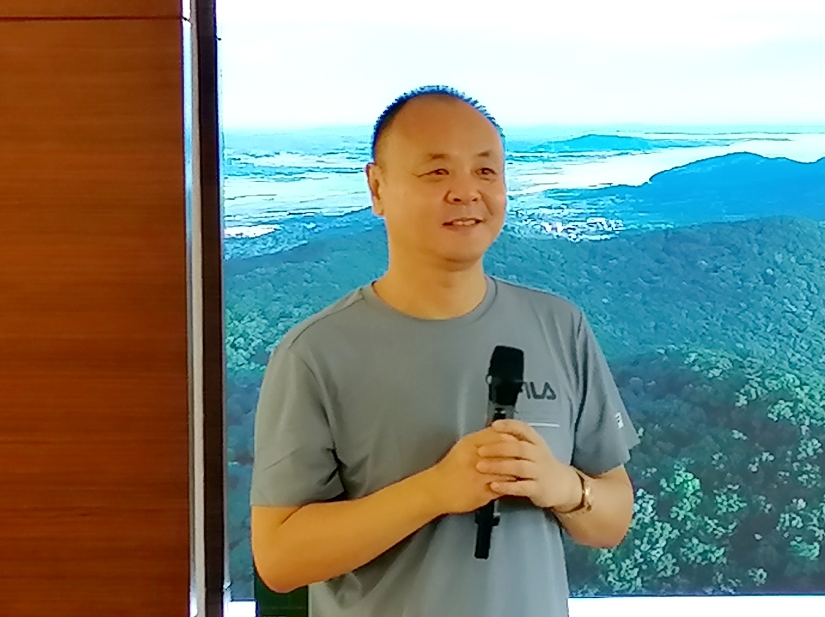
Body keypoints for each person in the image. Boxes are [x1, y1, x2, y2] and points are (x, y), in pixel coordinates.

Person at [250, 86, 641, 616]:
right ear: (377, 187)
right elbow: (279, 558)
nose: (466, 191)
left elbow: (613, 520)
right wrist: (435, 491)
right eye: (437, 171)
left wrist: (563, 486)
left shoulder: (559, 326)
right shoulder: (316, 353)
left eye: (485, 171)